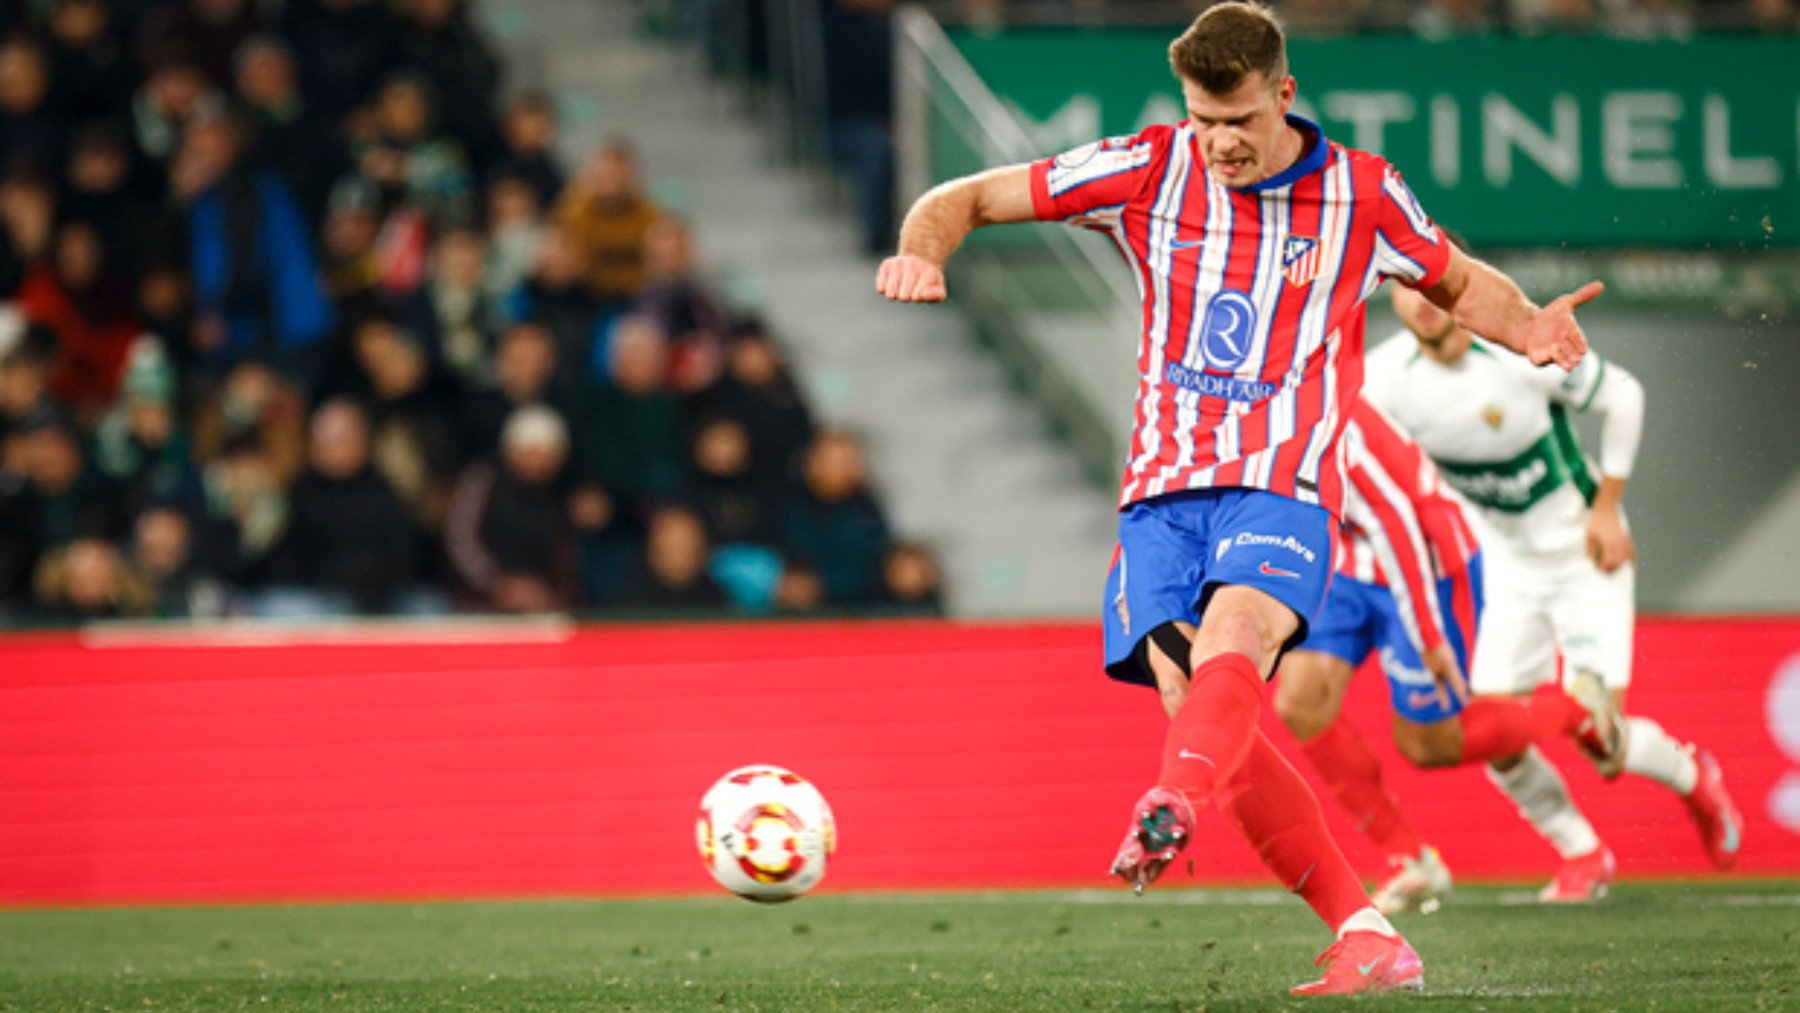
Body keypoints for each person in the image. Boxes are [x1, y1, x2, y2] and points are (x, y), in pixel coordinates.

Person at [875, 2, 1596, 995]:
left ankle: (1171, 797)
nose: (1219, 143)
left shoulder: (1362, 191)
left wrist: (1532, 330)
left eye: (1241, 121)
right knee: (1209, 710)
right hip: (1159, 500)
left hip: (1283, 482)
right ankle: (1367, 929)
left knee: (1238, 639)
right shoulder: (1145, 166)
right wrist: (925, 248)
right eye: (1204, 120)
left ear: (1285, 96)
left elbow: (1460, 280)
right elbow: (967, 196)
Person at [1368, 266, 1742, 900]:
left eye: (1430, 284)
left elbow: (1624, 395)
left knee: (1603, 736)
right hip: (1509, 568)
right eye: (1404, 288)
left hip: (1582, 553)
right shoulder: (1384, 380)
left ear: (1454, 285)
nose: (1421, 302)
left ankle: (1691, 774)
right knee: (1498, 735)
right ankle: (1583, 852)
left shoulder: (1517, 350)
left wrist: (1606, 507)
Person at [1272, 397, 1621, 915]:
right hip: (1349, 563)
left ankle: (1573, 709)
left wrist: (1429, 633)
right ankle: (1410, 859)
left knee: (1428, 743)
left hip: (1424, 564)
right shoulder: (1248, 403)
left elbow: (1399, 523)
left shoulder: (1321, 408)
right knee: (1299, 701)